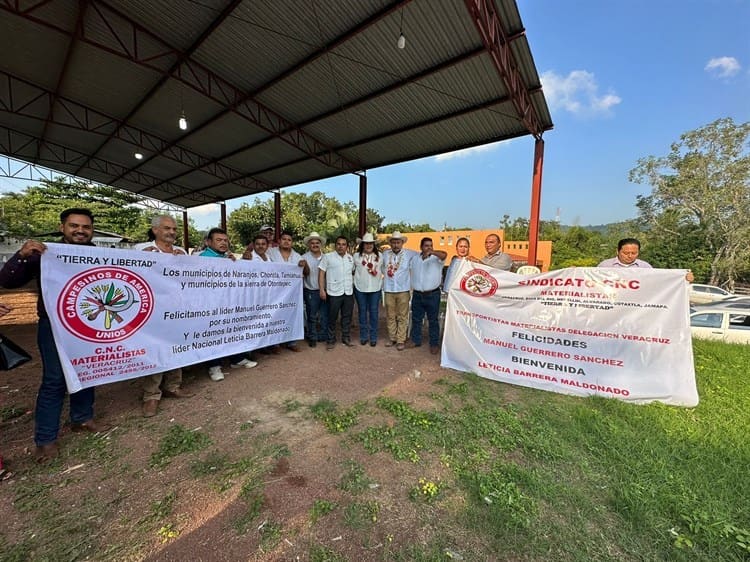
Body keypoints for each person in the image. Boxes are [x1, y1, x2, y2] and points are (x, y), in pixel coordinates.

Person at [0, 208, 110, 463]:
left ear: (92, 230)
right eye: (74, 226)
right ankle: (45, 439)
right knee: (54, 380)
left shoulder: (100, 255)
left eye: (86, 227)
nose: (80, 231)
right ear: (62, 228)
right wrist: (22, 256)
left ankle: (82, 418)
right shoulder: (43, 254)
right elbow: (8, 281)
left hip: (92, 324)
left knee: (88, 370)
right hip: (55, 326)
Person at [140, 215, 194, 418]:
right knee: (155, 350)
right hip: (153, 311)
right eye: (166, 228)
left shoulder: (180, 253)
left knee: (176, 348)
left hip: (177, 310)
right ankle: (151, 395)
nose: (171, 232)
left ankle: (173, 386)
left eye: (173, 229)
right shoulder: (142, 250)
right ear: (155, 230)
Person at [198, 228, 258, 380]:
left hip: (228, 302)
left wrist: (235, 264)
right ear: (208, 242)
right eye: (219, 240)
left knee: (232, 330)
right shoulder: (201, 258)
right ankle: (214, 366)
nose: (223, 243)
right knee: (213, 334)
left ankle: (237, 359)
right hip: (211, 305)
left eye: (225, 240)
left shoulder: (227, 257)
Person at [408, 237, 447, 355]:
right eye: (426, 245)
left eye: (431, 245)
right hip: (418, 294)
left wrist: (432, 252)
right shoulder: (415, 259)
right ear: (421, 247)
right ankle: (415, 340)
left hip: (432, 294)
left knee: (433, 320)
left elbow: (445, 254)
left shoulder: (437, 259)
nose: (429, 247)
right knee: (416, 319)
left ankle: (434, 344)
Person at [268, 231, 305, 352]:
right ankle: (274, 344)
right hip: (274, 291)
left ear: (292, 242)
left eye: (289, 240)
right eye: (284, 239)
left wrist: (304, 265)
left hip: (292, 293)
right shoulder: (270, 253)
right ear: (279, 241)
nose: (286, 241)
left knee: (291, 315)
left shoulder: (297, 256)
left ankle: (291, 342)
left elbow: (306, 272)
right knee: (275, 316)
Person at [381, 231, 417, 351]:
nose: (396, 245)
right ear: (390, 243)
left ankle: (401, 340)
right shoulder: (385, 254)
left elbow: (423, 256)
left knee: (402, 316)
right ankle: (392, 338)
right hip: (389, 289)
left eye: (398, 242)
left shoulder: (410, 254)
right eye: (394, 242)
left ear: (402, 243)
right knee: (390, 315)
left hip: (403, 290)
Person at [598, 238, 694, 281]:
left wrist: (683, 278)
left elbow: (660, 281)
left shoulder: (645, 267)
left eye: (634, 253)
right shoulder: (605, 265)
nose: (630, 256)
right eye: (626, 253)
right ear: (617, 251)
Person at [319, 236, 355, 350]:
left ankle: (346, 338)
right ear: (335, 245)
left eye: (343, 244)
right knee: (332, 317)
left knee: (347, 317)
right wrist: (321, 289)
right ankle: (330, 340)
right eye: (339, 244)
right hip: (334, 293)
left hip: (348, 292)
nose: (341, 246)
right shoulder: (328, 257)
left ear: (347, 246)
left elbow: (353, 272)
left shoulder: (350, 258)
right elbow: (321, 274)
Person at [353, 233, 383, 346]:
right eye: (366, 243)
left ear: (373, 244)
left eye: (371, 243)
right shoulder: (356, 256)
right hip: (360, 288)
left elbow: (384, 270)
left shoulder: (380, 256)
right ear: (362, 244)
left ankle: (373, 337)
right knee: (362, 313)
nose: (369, 245)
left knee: (374, 313)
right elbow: (351, 270)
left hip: (375, 289)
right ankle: (364, 336)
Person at [301, 231, 328, 348]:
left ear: (320, 244)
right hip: (310, 290)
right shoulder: (303, 258)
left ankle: (322, 335)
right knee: (311, 316)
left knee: (324, 315)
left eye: (317, 243)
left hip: (325, 290)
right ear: (309, 245)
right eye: (312, 243)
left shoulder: (326, 257)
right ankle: (312, 336)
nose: (315, 245)